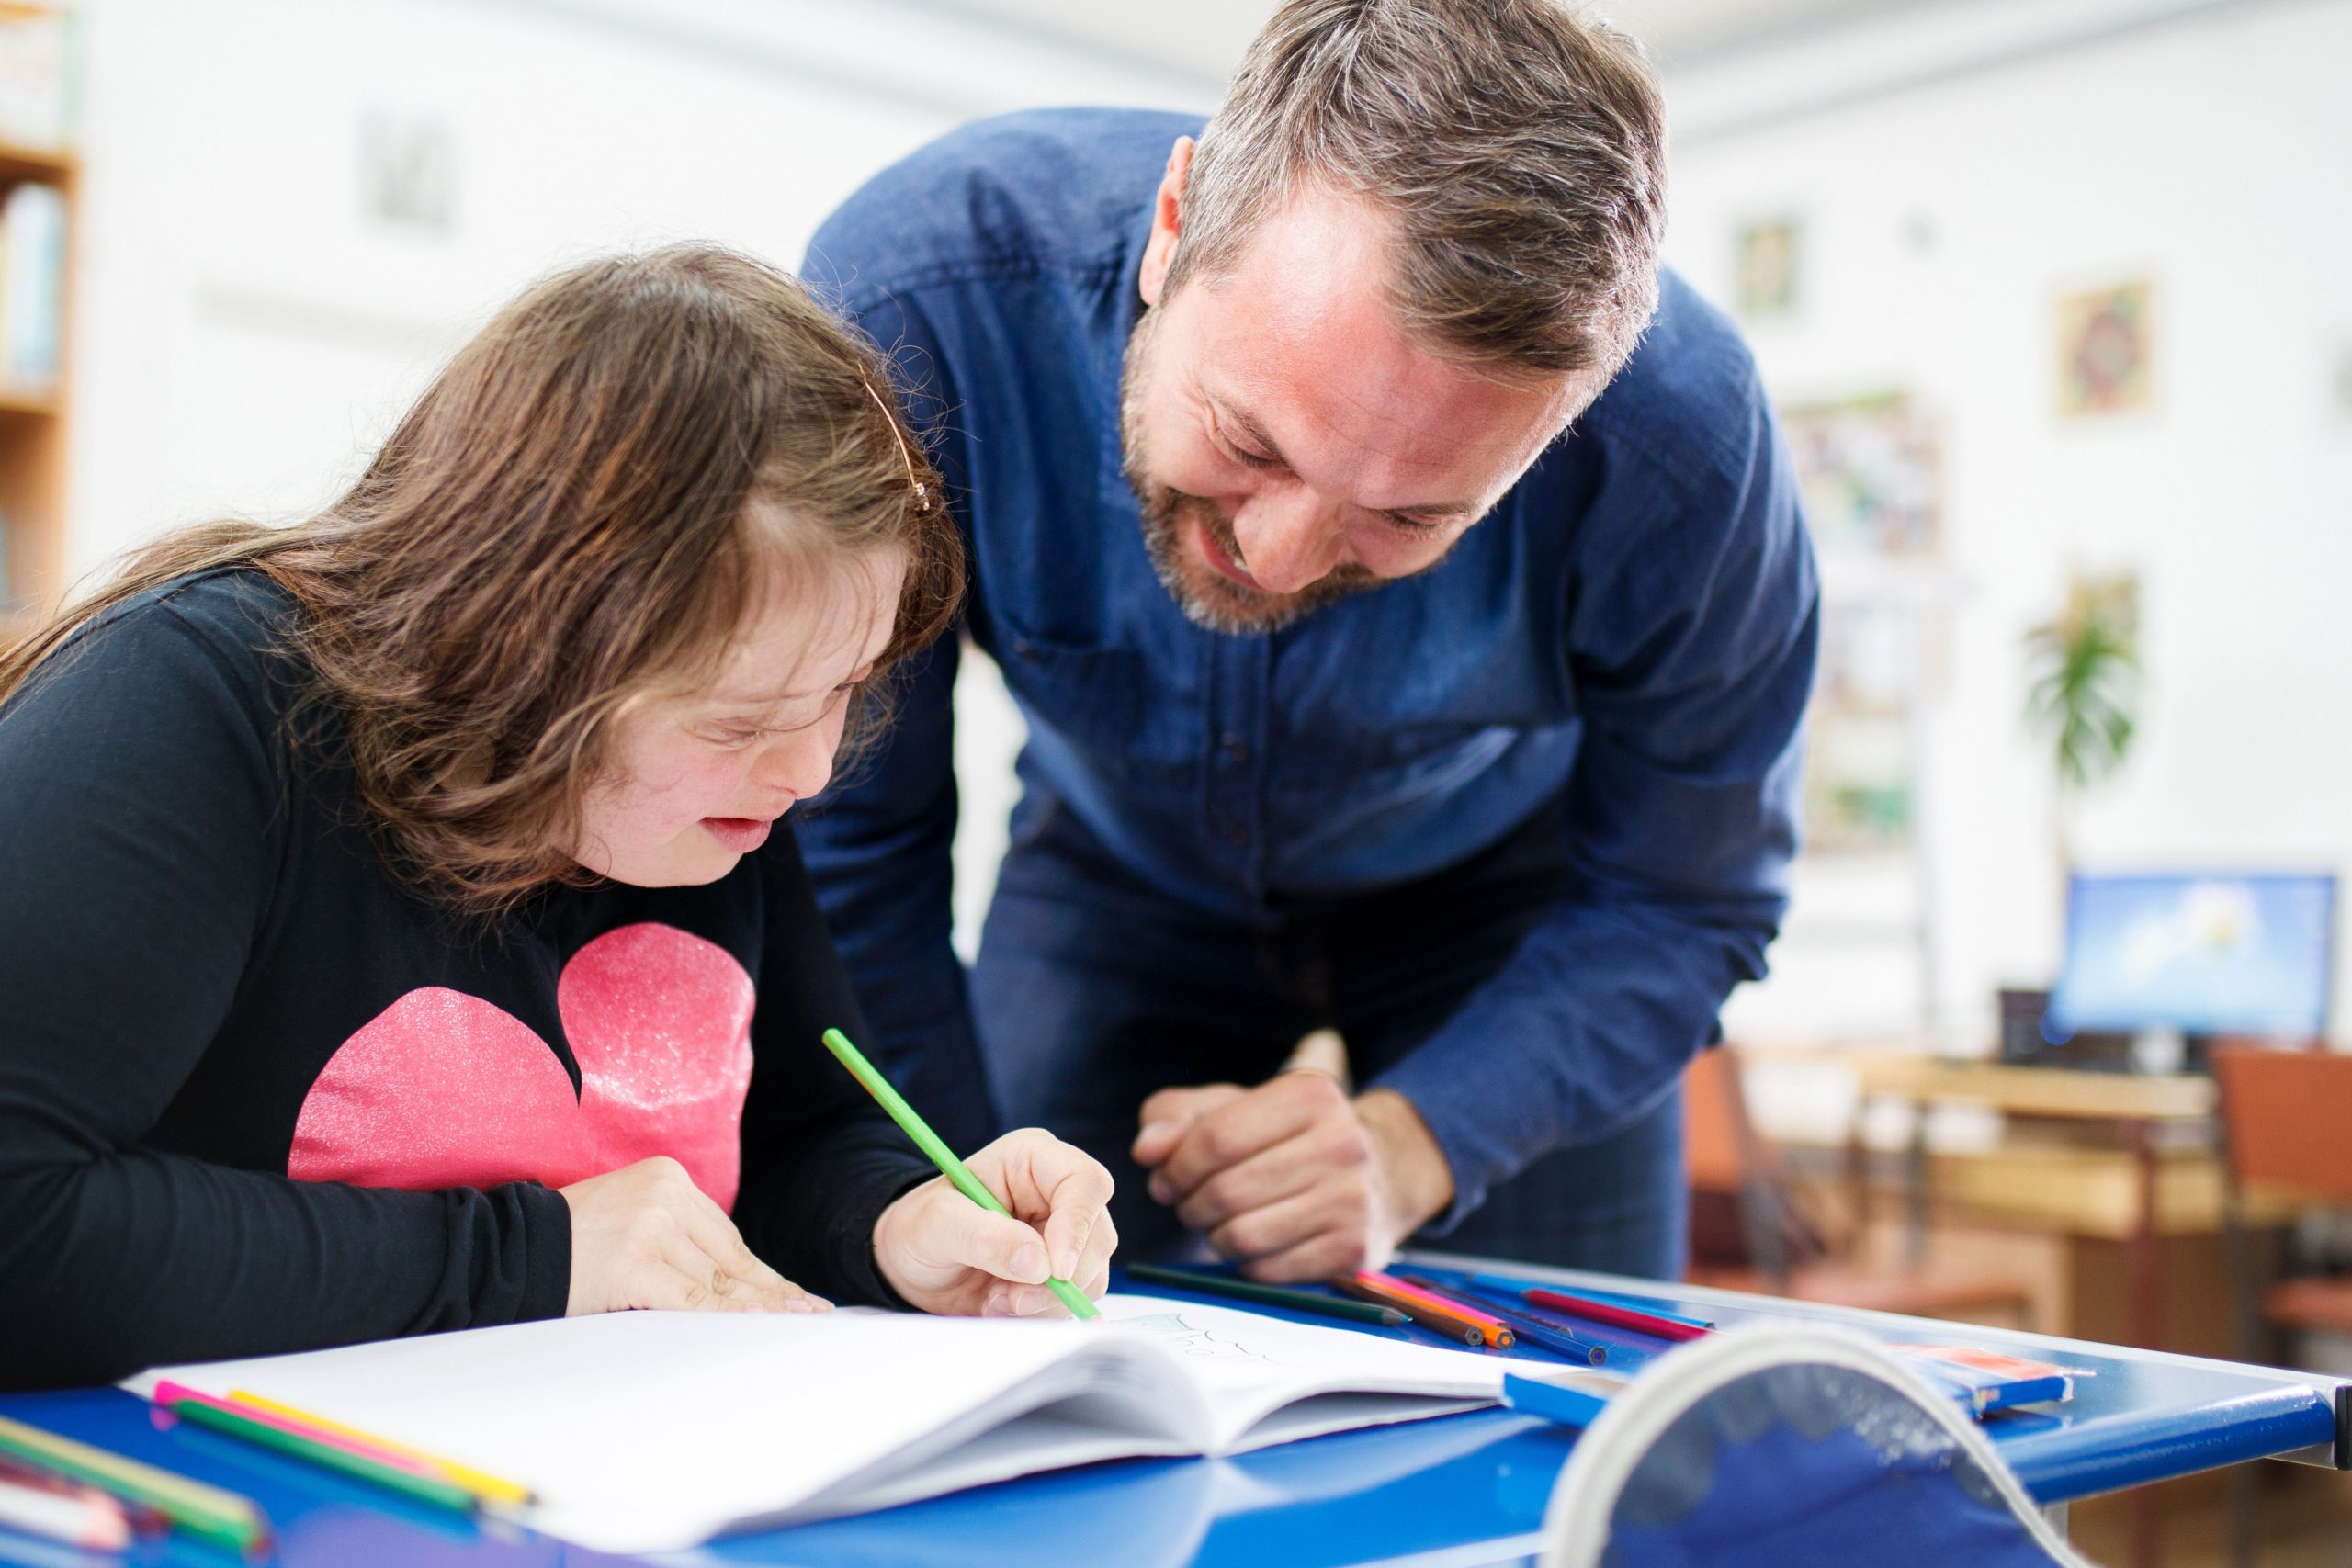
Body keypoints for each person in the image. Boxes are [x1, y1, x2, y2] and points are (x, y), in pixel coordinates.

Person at [796, 0, 1817, 1283]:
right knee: (989, 1297)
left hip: (1508, 913)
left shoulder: (1686, 451)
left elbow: (1686, 892)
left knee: (1571, 1437)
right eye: (1248, 441)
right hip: (1116, 876)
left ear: (1563, 425)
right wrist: (936, 1193)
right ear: (1175, 228)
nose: (1273, 561)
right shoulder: (917, 309)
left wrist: (1416, 1142)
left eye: (1409, 516)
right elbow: (849, 832)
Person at [0, 246, 1117, 1393]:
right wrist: (548, 1254)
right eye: (738, 721)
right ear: (529, 648)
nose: (810, 772)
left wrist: (899, 1223)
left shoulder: (713, 803)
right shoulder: (195, 710)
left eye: (841, 691)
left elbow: (794, 1137)